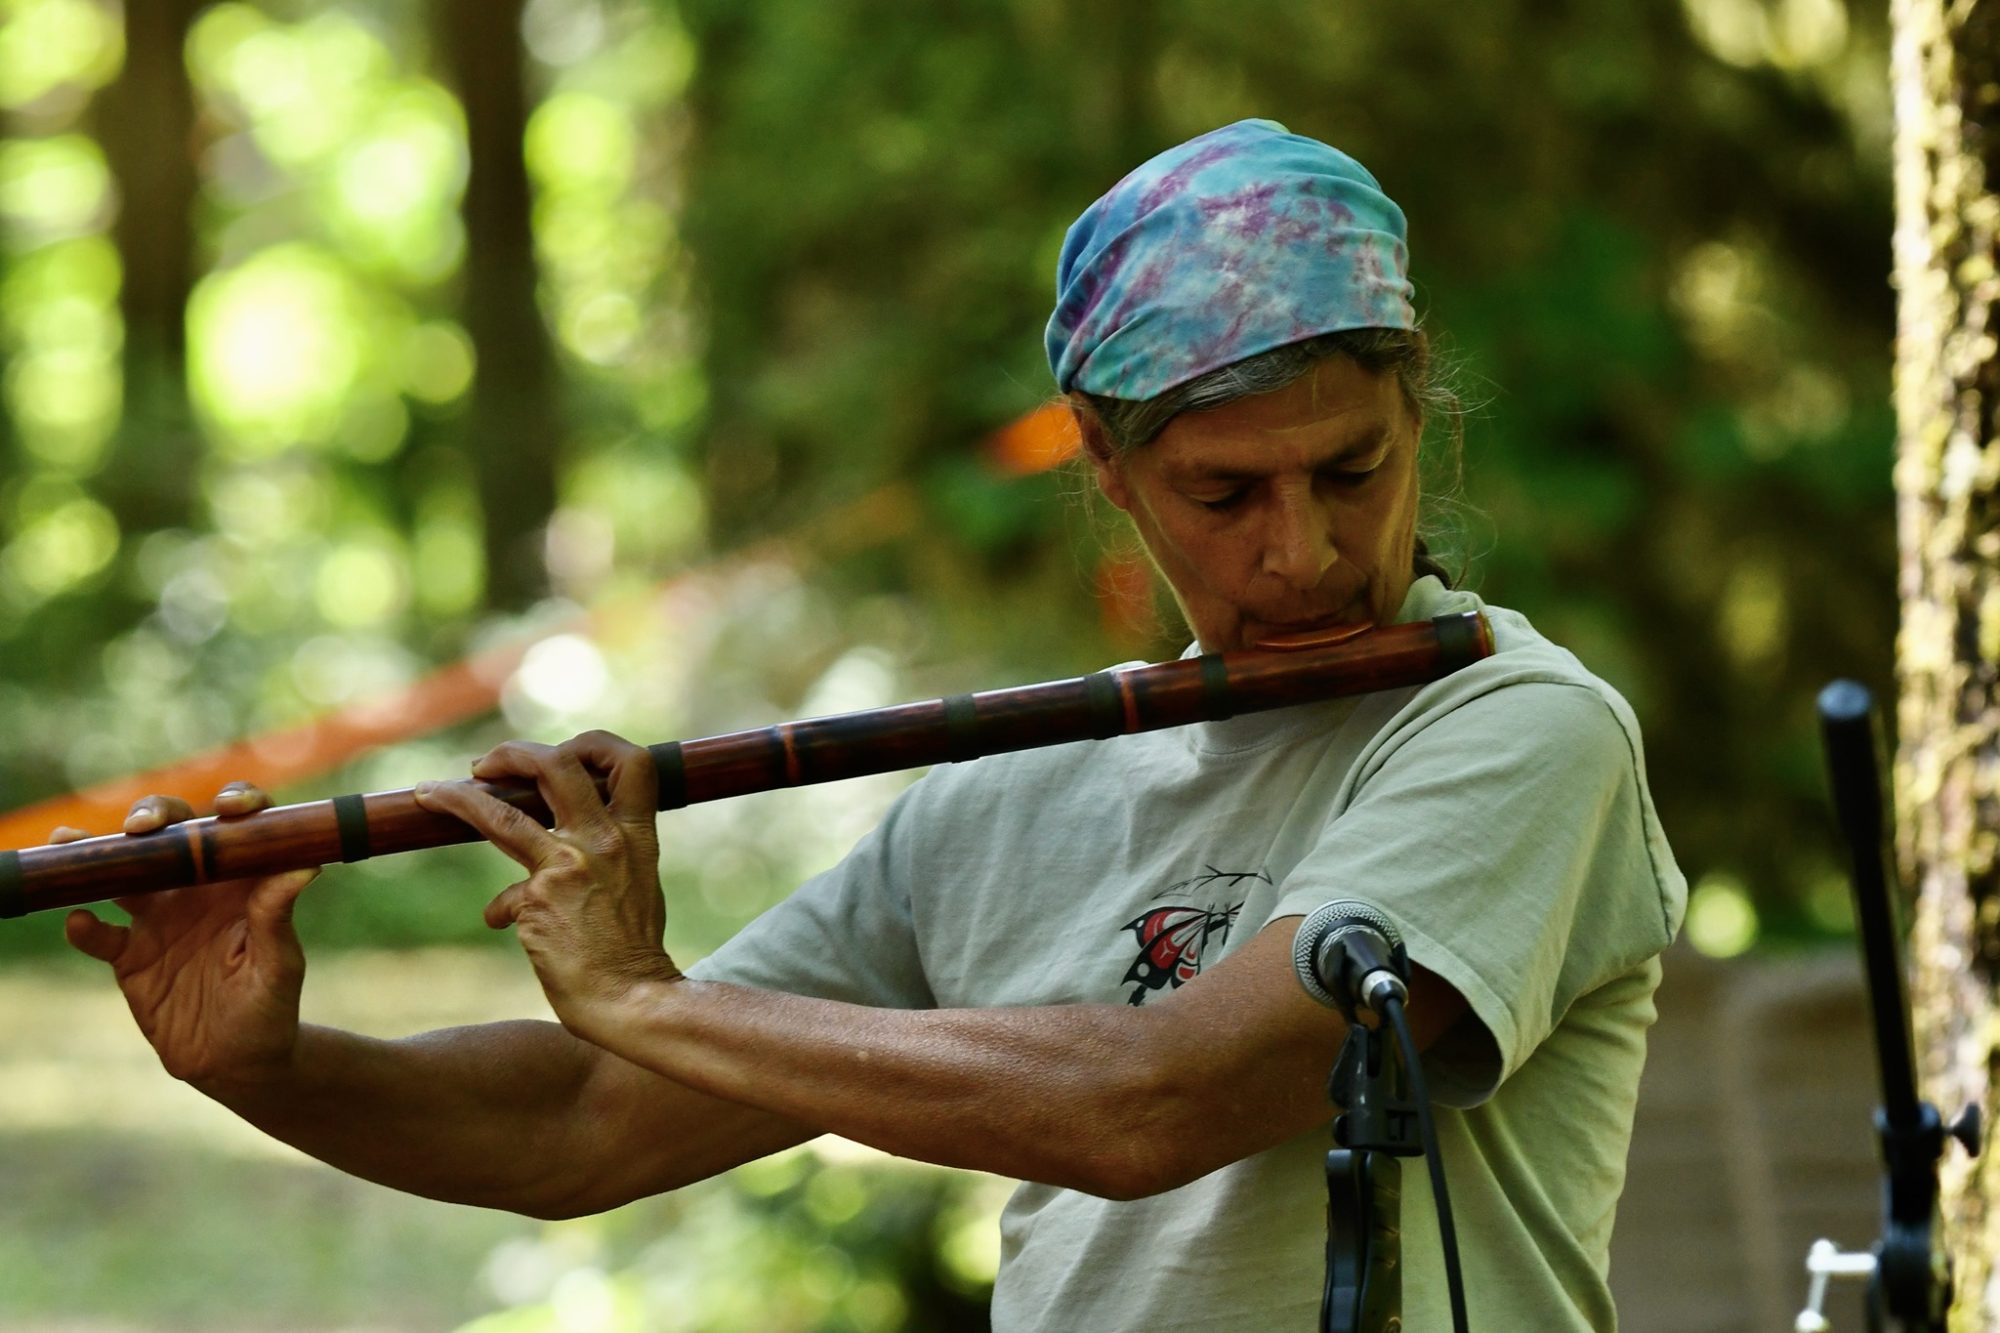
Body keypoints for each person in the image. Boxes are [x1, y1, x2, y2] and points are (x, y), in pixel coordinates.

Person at [61, 120, 1684, 1330]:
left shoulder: (1519, 731)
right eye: (1225, 491)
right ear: (1112, 479)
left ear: (1420, 423)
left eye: (1353, 469)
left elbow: (1156, 1100)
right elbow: (581, 1119)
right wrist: (265, 1071)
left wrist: (643, 991)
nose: (1308, 549)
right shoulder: (1021, 786)